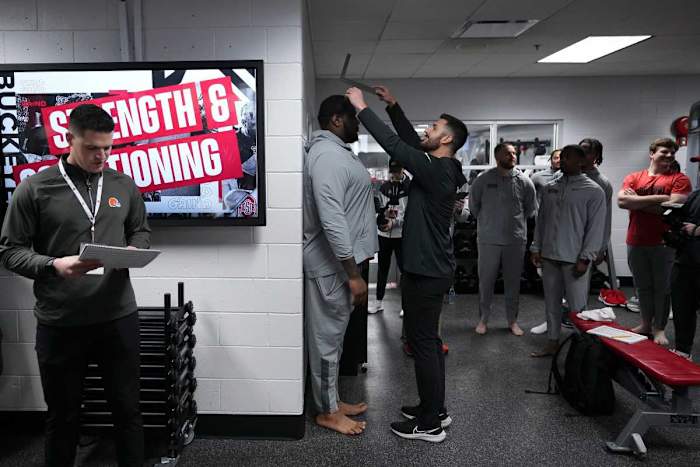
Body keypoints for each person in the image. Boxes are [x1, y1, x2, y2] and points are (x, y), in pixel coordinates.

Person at [0, 104, 150, 467]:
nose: (102, 156)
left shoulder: (123, 185)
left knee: (128, 412)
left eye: (108, 148)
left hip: (117, 318)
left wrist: (135, 250)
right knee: (63, 418)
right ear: (69, 140)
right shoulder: (34, 188)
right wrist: (52, 265)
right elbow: (9, 251)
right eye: (92, 148)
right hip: (61, 323)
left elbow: (141, 231)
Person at [346, 85, 467, 443]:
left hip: (427, 271)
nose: (427, 130)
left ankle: (429, 422)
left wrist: (363, 108)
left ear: (446, 139)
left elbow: (398, 148)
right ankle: (436, 409)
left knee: (424, 343)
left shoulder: (439, 170)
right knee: (426, 340)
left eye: (433, 127)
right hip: (428, 267)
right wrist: (394, 106)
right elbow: (411, 144)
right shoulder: (440, 166)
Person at [303, 95, 377, 435]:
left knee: (335, 340)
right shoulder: (326, 157)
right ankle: (327, 412)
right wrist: (352, 273)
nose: (358, 124)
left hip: (341, 267)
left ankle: (332, 400)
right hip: (331, 268)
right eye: (354, 118)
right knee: (326, 341)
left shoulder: (334, 153)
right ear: (336, 119)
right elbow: (332, 220)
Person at [530, 144, 605, 357]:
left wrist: (586, 257)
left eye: (568, 158)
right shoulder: (550, 187)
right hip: (550, 256)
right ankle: (552, 342)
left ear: (581, 162)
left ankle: (581, 348)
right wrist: (536, 247)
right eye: (561, 157)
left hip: (574, 258)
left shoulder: (593, 190)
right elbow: (541, 220)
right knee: (551, 303)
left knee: (577, 307)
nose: (562, 161)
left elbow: (595, 228)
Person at [618, 138, 691, 345]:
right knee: (642, 287)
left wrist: (637, 203)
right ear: (652, 153)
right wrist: (660, 199)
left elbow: (674, 205)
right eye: (664, 152)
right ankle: (645, 324)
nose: (669, 156)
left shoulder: (680, 179)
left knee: (662, 288)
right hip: (636, 240)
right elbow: (622, 201)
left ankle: (659, 329)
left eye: (672, 153)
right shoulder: (634, 177)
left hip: (663, 243)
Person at [469, 143, 537, 336]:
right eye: (508, 153)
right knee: (486, 282)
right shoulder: (483, 180)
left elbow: (531, 209)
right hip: (488, 239)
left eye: (514, 153)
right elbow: (474, 207)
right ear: (497, 155)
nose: (513, 156)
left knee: (513, 282)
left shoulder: (524, 181)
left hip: (515, 240)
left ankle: (512, 320)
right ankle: (483, 319)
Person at [370, 160, 409, 314]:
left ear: (402, 170)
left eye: (397, 171)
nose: (394, 175)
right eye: (392, 171)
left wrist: (395, 223)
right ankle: (378, 302)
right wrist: (381, 220)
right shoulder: (384, 187)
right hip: (384, 235)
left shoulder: (408, 187)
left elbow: (408, 213)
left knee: (404, 271)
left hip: (400, 236)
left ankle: (405, 305)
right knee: (382, 268)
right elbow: (380, 209)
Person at [529, 149, 561, 335]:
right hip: (543, 228)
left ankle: (568, 323)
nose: (558, 160)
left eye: (561, 157)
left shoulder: (572, 181)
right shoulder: (539, 178)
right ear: (550, 159)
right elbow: (530, 200)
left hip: (565, 234)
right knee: (548, 279)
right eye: (555, 157)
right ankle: (551, 322)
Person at [670, 187, 700, 359]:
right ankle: (682, 351)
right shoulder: (695, 195)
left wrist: (697, 230)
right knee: (682, 308)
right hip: (685, 261)